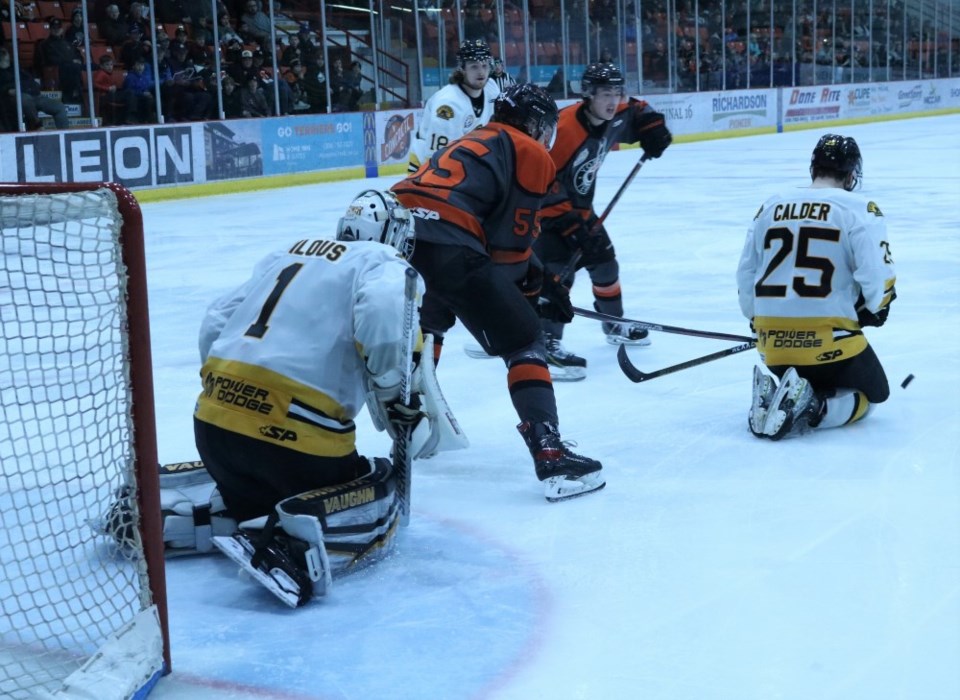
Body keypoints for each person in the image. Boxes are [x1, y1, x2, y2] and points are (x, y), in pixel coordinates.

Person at [194, 190, 425, 606]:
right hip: (294, 444)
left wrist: (224, 391)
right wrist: (392, 391)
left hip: (211, 429)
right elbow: (383, 317)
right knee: (377, 484)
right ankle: (288, 546)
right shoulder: (382, 262)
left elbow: (215, 320)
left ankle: (200, 515)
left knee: (251, 490)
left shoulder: (288, 251)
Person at [391, 83, 605, 503]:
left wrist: (539, 277)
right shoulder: (529, 149)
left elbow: (487, 233)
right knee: (524, 340)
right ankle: (550, 454)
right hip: (450, 244)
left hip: (399, 235)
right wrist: (530, 295)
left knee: (429, 324)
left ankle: (409, 425)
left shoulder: (474, 138)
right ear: (535, 123)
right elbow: (507, 249)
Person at [736, 134, 896, 440]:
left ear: (814, 169)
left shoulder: (770, 206)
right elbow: (876, 274)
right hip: (830, 344)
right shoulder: (861, 208)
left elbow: (746, 273)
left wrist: (757, 321)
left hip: (771, 347)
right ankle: (814, 406)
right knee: (875, 393)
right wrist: (877, 308)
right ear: (851, 175)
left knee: (807, 373)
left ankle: (778, 392)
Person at [533, 62, 672, 375]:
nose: (613, 100)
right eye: (605, 94)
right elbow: (539, 179)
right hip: (547, 213)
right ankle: (546, 341)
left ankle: (614, 324)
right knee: (559, 275)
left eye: (616, 92)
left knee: (605, 263)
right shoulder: (565, 129)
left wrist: (653, 126)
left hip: (582, 209)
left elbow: (638, 110)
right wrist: (567, 224)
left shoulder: (617, 112)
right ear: (588, 95)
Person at [406, 38, 500, 173]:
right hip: (427, 166)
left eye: (484, 65)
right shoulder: (448, 103)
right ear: (462, 68)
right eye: (474, 66)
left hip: (466, 161)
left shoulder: (491, 88)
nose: (481, 72)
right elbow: (438, 156)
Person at [0, 47, 70, 130]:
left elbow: (32, 82)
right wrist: (7, 90)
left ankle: (64, 133)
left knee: (59, 107)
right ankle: (37, 125)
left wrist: (26, 88)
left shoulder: (16, 68)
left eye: (5, 53)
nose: (4, 55)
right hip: (14, 98)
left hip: (34, 95)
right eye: (2, 53)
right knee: (25, 99)